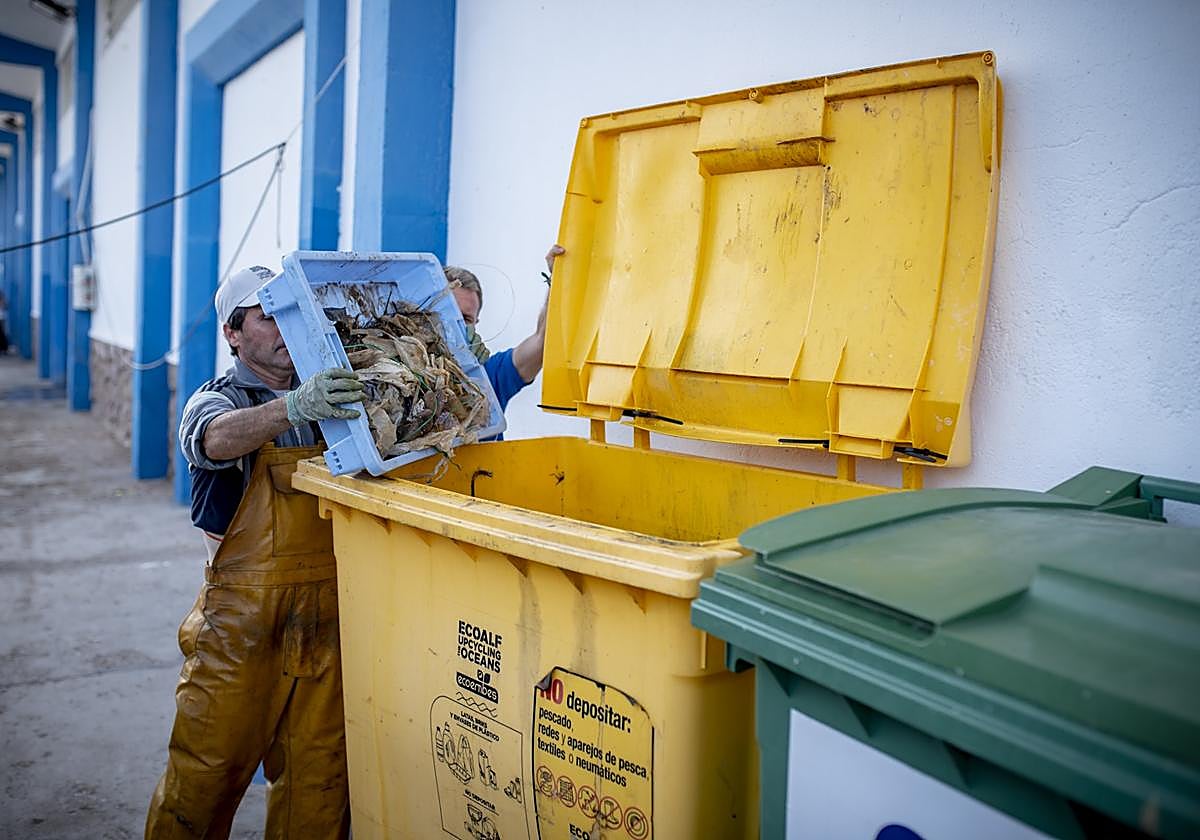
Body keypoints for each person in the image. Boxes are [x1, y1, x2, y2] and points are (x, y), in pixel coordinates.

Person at [146, 265, 363, 840]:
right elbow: (213, 439)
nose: (282, 327)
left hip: (327, 619)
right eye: (267, 315)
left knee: (320, 783)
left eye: (288, 311)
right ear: (233, 335)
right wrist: (289, 410)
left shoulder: (335, 394)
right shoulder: (214, 400)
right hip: (240, 624)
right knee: (204, 777)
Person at [445, 244, 564, 411]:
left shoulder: (491, 376)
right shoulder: (403, 379)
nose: (458, 325)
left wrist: (559, 275)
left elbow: (542, 342)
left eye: (466, 319)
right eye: (451, 314)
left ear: (476, 323)